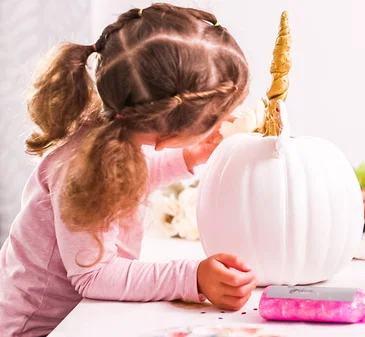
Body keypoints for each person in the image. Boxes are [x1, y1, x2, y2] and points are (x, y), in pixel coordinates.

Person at [0, 4, 256, 336]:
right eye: (215, 119)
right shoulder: (84, 169)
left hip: (82, 318)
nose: (222, 123)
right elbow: (94, 276)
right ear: (167, 133)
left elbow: (130, 177)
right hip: (38, 327)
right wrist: (192, 277)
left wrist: (185, 158)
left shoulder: (113, 134)